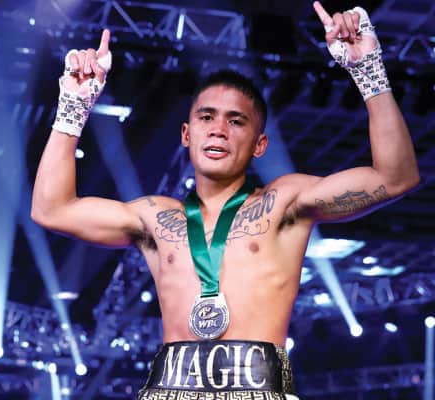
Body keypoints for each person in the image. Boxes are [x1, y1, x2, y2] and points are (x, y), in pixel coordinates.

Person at [32, 2, 420, 399]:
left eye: (236, 121)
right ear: (186, 135)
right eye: (206, 117)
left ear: (260, 144)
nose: (219, 129)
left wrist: (368, 68)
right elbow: (51, 209)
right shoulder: (155, 219)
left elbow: (395, 177)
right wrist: (73, 107)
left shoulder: (285, 205)